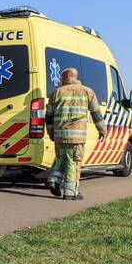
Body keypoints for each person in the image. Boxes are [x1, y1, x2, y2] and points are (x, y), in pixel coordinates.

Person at [46, 67, 106, 200]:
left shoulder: (56, 93)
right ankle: (70, 192)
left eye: (61, 78)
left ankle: (54, 180)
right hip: (76, 137)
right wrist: (102, 130)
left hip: (60, 136)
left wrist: (51, 133)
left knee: (61, 159)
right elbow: (96, 113)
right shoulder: (87, 91)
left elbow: (49, 117)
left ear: (68, 76)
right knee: (73, 162)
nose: (60, 81)